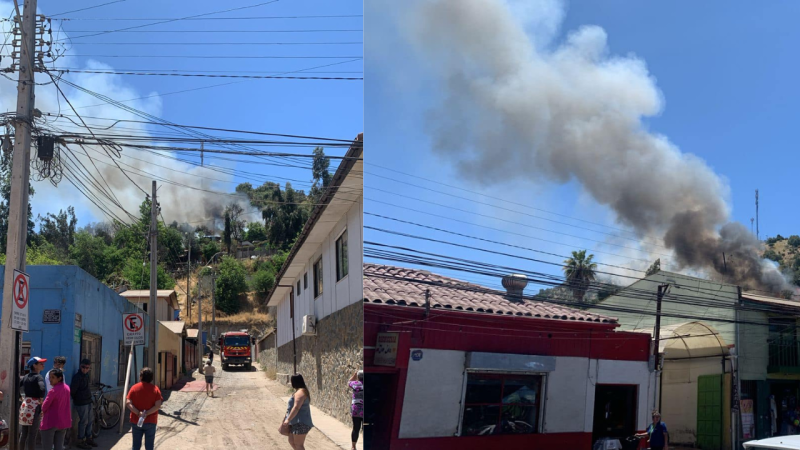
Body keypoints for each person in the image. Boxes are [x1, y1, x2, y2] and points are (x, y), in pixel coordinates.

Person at [126, 367, 163, 450]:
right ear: (151, 378)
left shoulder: (134, 388)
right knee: (149, 446)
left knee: (136, 446)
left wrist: (138, 413)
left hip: (136, 420)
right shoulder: (155, 389)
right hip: (150, 421)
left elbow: (128, 403)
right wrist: (146, 413)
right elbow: (157, 405)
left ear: (141, 376)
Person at [19, 356, 46, 450]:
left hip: (25, 405)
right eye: (40, 363)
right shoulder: (39, 377)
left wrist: (20, 397)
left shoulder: (26, 377)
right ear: (34, 365)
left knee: (24, 433)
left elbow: (17, 386)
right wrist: (41, 398)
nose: (43, 365)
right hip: (35, 406)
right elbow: (42, 388)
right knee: (32, 434)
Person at [40, 368, 71, 450]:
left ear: (59, 378)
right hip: (63, 422)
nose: (50, 380)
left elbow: (44, 406)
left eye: (53, 377)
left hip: (51, 422)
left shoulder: (53, 391)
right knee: (59, 447)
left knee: (47, 447)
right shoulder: (67, 388)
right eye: (50, 377)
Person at [70, 358, 97, 449]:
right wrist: (78, 398)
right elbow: (73, 391)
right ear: (80, 366)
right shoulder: (77, 377)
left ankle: (89, 438)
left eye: (87, 367)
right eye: (83, 367)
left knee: (90, 420)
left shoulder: (86, 376)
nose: (85, 369)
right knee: (83, 421)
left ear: (89, 368)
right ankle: (81, 440)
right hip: (81, 403)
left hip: (88, 401)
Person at [283, 374, 314, 450]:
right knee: (291, 441)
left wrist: (288, 419)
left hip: (300, 423)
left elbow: (296, 407)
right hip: (295, 422)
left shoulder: (300, 392)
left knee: (299, 445)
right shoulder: (300, 391)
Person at [348, 370, 364, 450]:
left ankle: (353, 447)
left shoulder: (355, 384)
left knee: (356, 428)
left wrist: (354, 375)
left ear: (358, 377)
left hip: (356, 409)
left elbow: (349, 382)